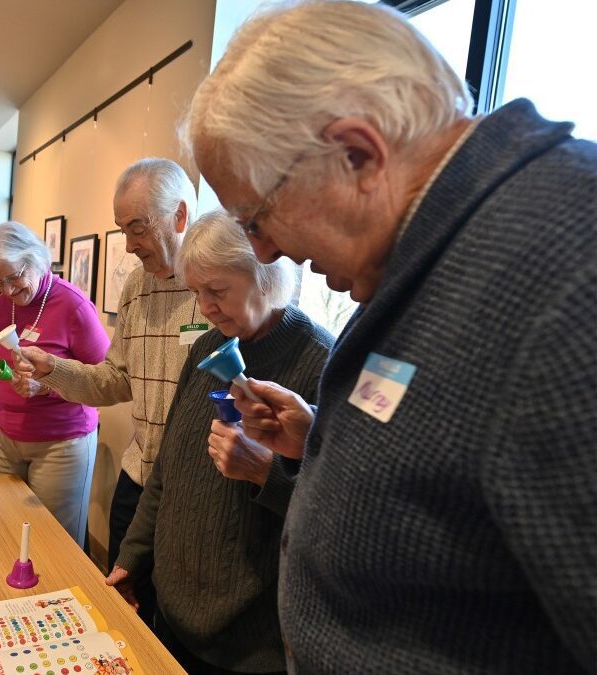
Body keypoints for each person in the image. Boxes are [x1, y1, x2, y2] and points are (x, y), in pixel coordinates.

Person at [182, 2, 596, 673]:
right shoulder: (430, 255)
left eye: (257, 218)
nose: (264, 250)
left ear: (358, 154)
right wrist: (319, 439)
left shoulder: (570, 265)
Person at [105, 212, 333, 674]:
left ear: (264, 275)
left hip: (248, 645)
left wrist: (264, 473)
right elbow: (166, 471)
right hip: (170, 614)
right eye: (196, 292)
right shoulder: (207, 349)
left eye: (217, 291)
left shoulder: (320, 363)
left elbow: (336, 515)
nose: (205, 307)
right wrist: (132, 558)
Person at [16, 157, 199, 627]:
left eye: (138, 227)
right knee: (126, 605)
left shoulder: (217, 286)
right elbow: (114, 379)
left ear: (180, 216)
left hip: (192, 491)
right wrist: (52, 368)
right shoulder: (136, 287)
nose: (129, 245)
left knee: (174, 623)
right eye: (122, 229)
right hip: (138, 480)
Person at [0, 222, 109, 547]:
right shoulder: (6, 304)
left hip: (60, 444)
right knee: (2, 529)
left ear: (36, 259)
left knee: (52, 544)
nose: (6, 290)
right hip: (6, 437)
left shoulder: (73, 306)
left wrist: (47, 386)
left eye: (14, 277)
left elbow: (103, 382)